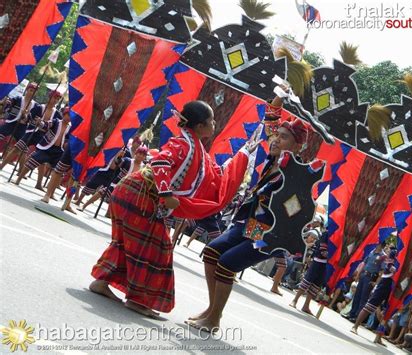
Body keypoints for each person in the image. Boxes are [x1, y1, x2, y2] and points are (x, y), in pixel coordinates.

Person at [88, 101, 256, 318]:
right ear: (199, 126)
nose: (215, 124)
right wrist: (166, 194)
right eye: (211, 121)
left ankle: (102, 281)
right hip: (141, 194)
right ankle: (140, 300)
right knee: (157, 249)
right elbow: (160, 163)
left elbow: (217, 174)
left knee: (131, 244)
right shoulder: (184, 145)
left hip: (138, 194)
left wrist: (242, 156)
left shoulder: (194, 147)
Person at [186, 117, 310, 333]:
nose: (276, 140)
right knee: (211, 252)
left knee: (227, 262)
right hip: (249, 224)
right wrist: (281, 97)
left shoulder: (296, 174)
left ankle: (214, 318)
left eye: (284, 137)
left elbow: (295, 211)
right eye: (276, 135)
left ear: (298, 146)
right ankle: (211, 309)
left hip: (269, 235)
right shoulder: (274, 162)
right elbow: (271, 120)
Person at [15, 107, 71, 185]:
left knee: (59, 171)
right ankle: (18, 179)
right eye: (68, 114)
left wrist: (67, 144)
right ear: (64, 114)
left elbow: (68, 139)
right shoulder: (56, 122)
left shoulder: (70, 128)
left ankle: (50, 192)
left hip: (58, 151)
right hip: (47, 148)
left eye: (71, 116)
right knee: (32, 162)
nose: (69, 117)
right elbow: (47, 125)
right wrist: (40, 123)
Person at [351, 246, 397, 334]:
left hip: (396, 284)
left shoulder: (411, 255)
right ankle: (355, 326)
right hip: (386, 280)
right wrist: (391, 267)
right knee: (370, 304)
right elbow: (387, 262)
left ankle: (379, 336)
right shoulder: (395, 251)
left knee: (387, 311)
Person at [289, 228, 328, 315]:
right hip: (318, 261)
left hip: (326, 265)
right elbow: (323, 251)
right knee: (307, 280)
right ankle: (295, 300)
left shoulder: (338, 236)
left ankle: (306, 305)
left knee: (316, 285)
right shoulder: (326, 234)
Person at [346, 241, 387, 321]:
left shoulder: (382, 256)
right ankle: (352, 313)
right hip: (363, 275)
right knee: (357, 295)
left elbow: (382, 271)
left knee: (363, 298)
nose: (377, 245)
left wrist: (376, 283)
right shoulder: (372, 252)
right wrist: (358, 275)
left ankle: (357, 317)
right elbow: (364, 263)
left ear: (381, 246)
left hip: (370, 277)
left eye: (378, 244)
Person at [0, 82, 38, 152]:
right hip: (11, 122)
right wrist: (6, 103)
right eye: (31, 90)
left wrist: (26, 116)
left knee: (23, 148)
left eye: (34, 91)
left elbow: (32, 120)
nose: (32, 93)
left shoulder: (36, 106)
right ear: (27, 90)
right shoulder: (17, 99)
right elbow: (8, 109)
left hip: (22, 127)